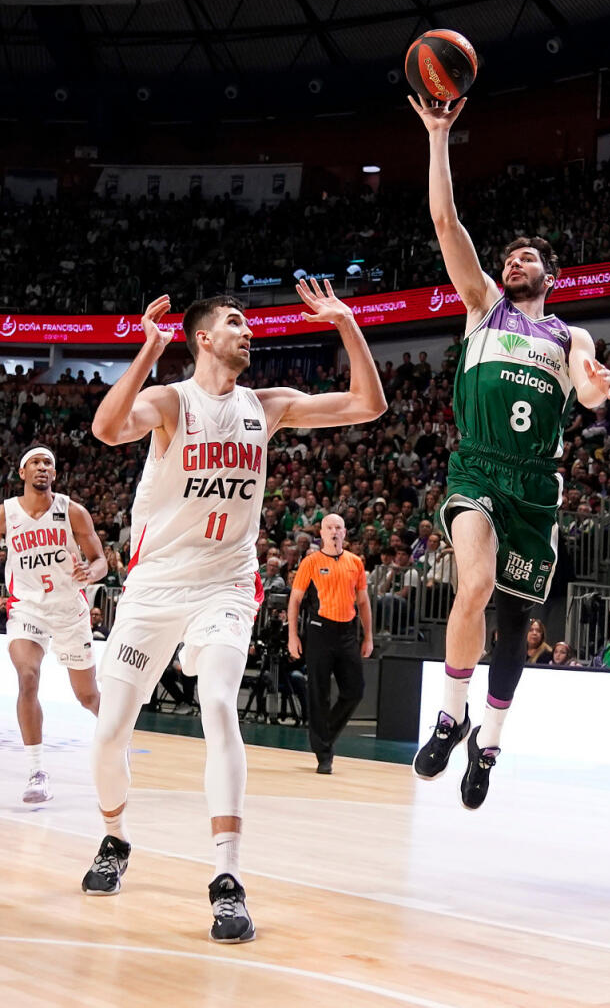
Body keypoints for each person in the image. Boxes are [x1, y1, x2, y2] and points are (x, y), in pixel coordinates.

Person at [80, 281, 385, 941]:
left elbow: (368, 402)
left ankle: (226, 877)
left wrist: (346, 322)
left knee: (218, 703)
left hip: (224, 586)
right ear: (204, 339)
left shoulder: (266, 405)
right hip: (154, 588)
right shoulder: (169, 400)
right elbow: (105, 429)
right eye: (236, 322)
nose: (250, 332)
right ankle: (114, 837)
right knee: (108, 731)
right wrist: (146, 351)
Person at [408, 94, 610, 810]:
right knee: (472, 583)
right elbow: (445, 221)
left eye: (524, 257)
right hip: (477, 464)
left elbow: (590, 393)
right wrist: (439, 137)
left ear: (548, 273)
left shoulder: (568, 336)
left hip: (535, 483)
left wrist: (595, 382)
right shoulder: (480, 308)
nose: (511, 262)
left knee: (511, 626)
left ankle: (488, 741)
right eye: (507, 257)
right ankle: (449, 714)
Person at [0, 445, 107, 803]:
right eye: (35, 463)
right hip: (27, 610)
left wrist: (89, 572)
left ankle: (117, 736)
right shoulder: (7, 513)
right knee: (27, 677)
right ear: (22, 473)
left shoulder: (72, 512)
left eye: (48, 463)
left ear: (55, 475)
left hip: (67, 610)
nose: (42, 468)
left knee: (87, 696)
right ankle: (36, 771)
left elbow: (101, 561)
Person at [287, 514, 373, 774]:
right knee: (319, 693)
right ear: (321, 533)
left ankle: (323, 736)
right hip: (319, 631)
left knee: (355, 690)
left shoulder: (355, 562)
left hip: (347, 631)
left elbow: (364, 601)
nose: (334, 531)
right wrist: (293, 635)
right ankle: (324, 755)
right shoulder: (311, 562)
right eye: (329, 528)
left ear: (345, 532)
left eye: (338, 527)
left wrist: (368, 636)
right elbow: (295, 601)